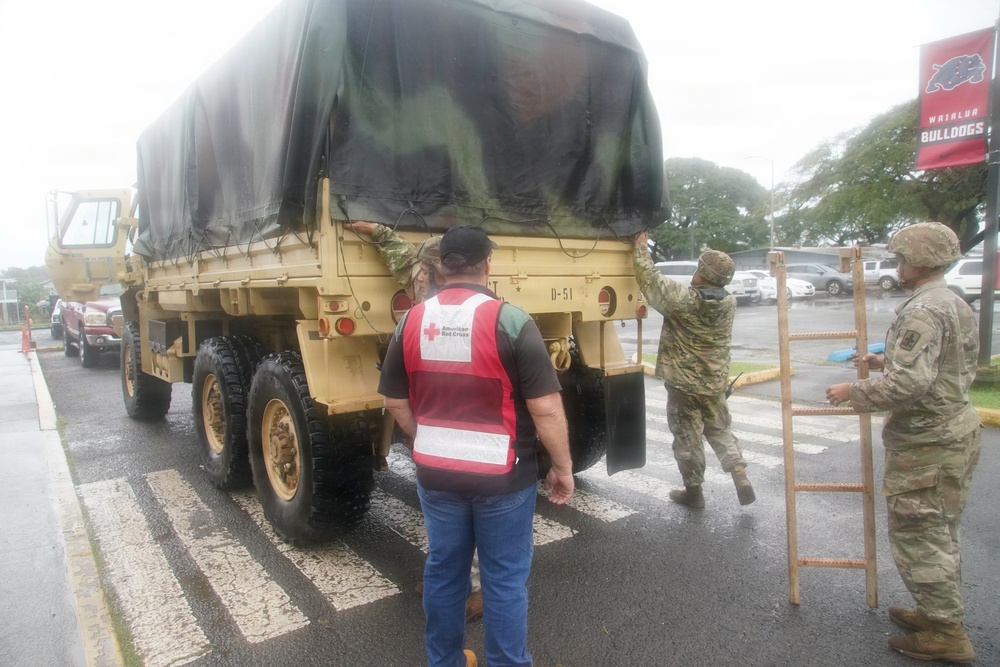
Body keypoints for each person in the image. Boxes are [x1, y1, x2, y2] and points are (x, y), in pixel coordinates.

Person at [378, 226, 574, 667]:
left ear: (440, 267)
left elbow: (393, 400)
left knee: (445, 571)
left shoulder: (411, 319)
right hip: (503, 477)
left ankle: (445, 660)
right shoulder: (512, 321)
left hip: (437, 473)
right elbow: (544, 409)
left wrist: (423, 436)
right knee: (504, 578)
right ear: (488, 265)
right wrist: (561, 466)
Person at [825, 222, 980, 664]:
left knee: (920, 536)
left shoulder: (923, 309)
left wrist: (852, 392)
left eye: (900, 256)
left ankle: (947, 633)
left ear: (917, 259)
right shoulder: (951, 302)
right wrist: (882, 360)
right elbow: (943, 362)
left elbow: (912, 382)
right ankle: (936, 615)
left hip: (928, 442)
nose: (897, 263)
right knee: (939, 531)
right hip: (953, 432)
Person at [348, 221, 485, 624]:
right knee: (444, 511)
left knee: (462, 509)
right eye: (424, 270)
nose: (424, 275)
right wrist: (375, 230)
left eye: (429, 270)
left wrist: (420, 431)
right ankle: (450, 581)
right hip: (435, 420)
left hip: (459, 423)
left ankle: (473, 590)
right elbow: (399, 252)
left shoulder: (464, 305)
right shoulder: (429, 287)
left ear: (441, 269)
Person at [631, 232, 755, 508]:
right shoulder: (729, 304)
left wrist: (640, 246)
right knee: (720, 428)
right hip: (715, 382)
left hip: (684, 386)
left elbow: (649, 277)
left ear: (704, 273)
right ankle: (739, 472)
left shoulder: (684, 301)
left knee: (688, 439)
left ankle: (694, 492)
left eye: (699, 270)